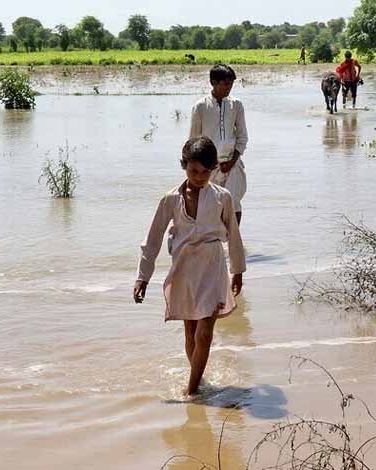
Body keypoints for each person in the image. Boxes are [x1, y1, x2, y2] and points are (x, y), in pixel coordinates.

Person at [134, 136, 246, 397]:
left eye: (206, 172)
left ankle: (192, 390)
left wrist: (238, 270)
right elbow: (153, 239)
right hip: (184, 269)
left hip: (213, 267)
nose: (200, 177)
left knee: (205, 332)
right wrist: (143, 277)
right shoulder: (170, 200)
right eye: (194, 171)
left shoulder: (223, 198)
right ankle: (199, 376)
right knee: (191, 332)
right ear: (183, 166)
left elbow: (234, 235)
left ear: (214, 169)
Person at [189, 64, 249, 224]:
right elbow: (194, 140)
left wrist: (232, 161)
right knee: (208, 204)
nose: (229, 88)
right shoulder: (200, 107)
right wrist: (198, 167)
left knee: (234, 204)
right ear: (213, 83)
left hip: (232, 163)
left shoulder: (236, 105)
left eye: (231, 84)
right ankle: (213, 241)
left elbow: (242, 137)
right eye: (225, 84)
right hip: (208, 167)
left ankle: (233, 242)